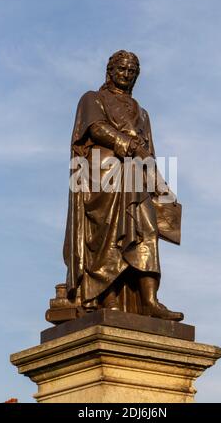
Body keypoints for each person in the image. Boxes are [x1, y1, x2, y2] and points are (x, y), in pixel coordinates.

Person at [63, 50, 183, 321]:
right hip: (104, 172)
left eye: (132, 71)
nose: (126, 75)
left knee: (147, 230)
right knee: (110, 232)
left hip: (137, 177)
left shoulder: (142, 112)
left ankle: (150, 300)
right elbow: (95, 129)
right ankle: (109, 296)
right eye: (122, 69)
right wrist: (128, 145)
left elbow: (148, 151)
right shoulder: (92, 98)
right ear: (111, 70)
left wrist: (160, 185)